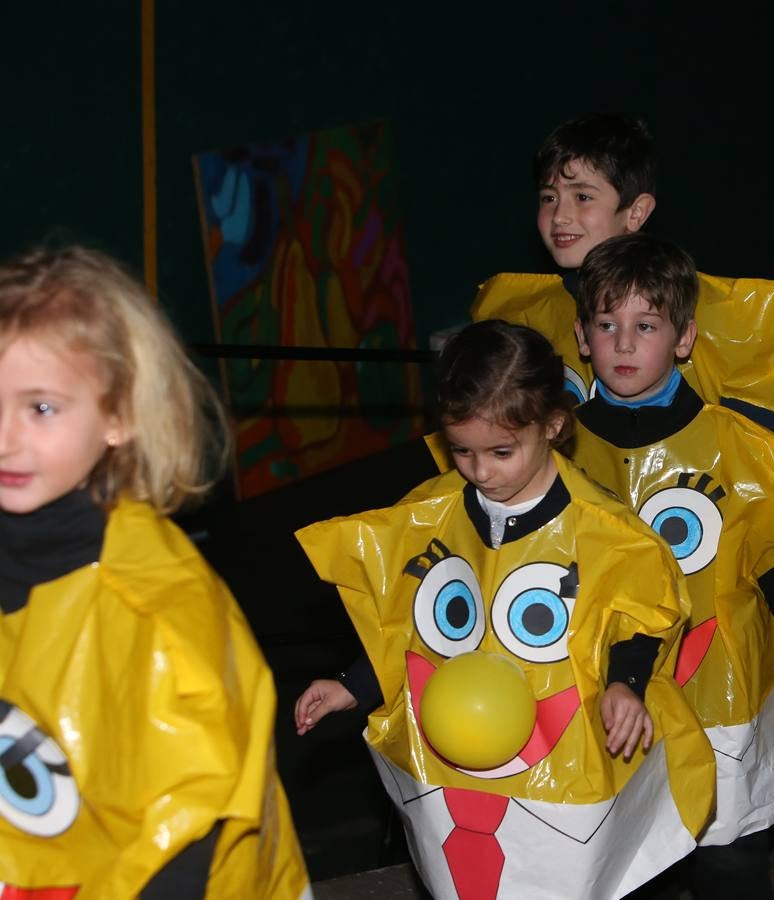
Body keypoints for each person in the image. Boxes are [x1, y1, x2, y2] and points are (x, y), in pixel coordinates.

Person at [294, 319, 715, 900]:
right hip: (458, 758)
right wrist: (353, 683)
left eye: (500, 451)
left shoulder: (604, 531)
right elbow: (412, 625)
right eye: (461, 451)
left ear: (553, 427)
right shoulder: (433, 513)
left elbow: (646, 612)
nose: (481, 471)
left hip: (563, 757)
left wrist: (627, 682)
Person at [0, 245, 311, 897]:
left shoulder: (154, 607)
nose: (5, 438)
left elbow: (190, 830)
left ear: (118, 416)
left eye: (42, 408)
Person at [566, 233, 774, 900]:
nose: (625, 344)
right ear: (582, 338)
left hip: (717, 687)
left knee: (728, 858)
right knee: (624, 856)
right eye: (607, 326)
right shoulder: (560, 450)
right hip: (607, 693)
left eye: (646, 326)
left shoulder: (736, 444)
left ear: (685, 337)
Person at [466, 112, 774, 432]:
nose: (560, 216)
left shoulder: (727, 315)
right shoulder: (520, 313)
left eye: (582, 196)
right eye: (548, 198)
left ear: (636, 211)